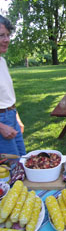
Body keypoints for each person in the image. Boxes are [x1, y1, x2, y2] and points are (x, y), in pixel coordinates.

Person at [0, 15, 26, 156]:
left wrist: (16, 118)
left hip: (11, 115)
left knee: (22, 159)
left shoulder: (2, 61)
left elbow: (6, 96)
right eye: (1, 35)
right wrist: (1, 126)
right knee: (9, 167)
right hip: (1, 122)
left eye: (8, 35)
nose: (6, 40)